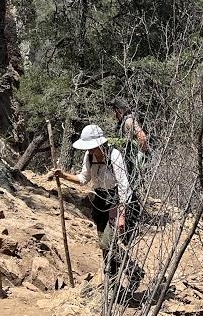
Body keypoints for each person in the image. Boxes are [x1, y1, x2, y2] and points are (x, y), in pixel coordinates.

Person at [49, 123, 142, 289]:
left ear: (100, 144)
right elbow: (84, 178)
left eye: (92, 147)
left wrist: (121, 215)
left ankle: (123, 275)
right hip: (100, 201)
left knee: (108, 243)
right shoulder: (89, 156)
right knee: (104, 246)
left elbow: (124, 186)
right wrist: (63, 176)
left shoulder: (115, 156)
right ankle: (119, 279)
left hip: (116, 200)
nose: (90, 150)